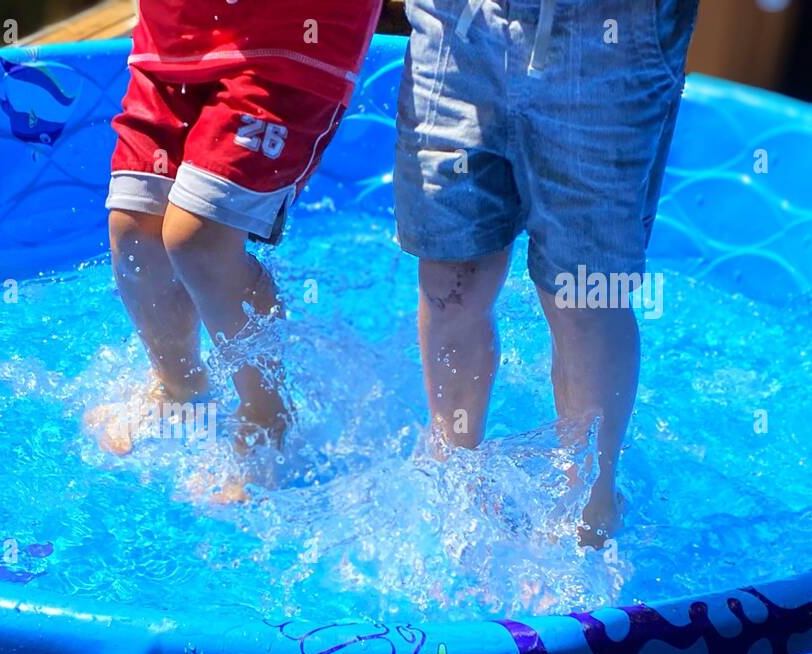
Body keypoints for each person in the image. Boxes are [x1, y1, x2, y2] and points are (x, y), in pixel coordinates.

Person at [395, 0, 699, 544]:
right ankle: (449, 476)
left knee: (584, 296)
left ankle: (588, 508)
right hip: (457, 27)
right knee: (449, 276)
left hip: (607, 38)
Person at [88, 0, 385, 466]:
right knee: (134, 232)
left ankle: (267, 415)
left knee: (198, 237)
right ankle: (178, 388)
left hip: (287, 48)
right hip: (175, 36)